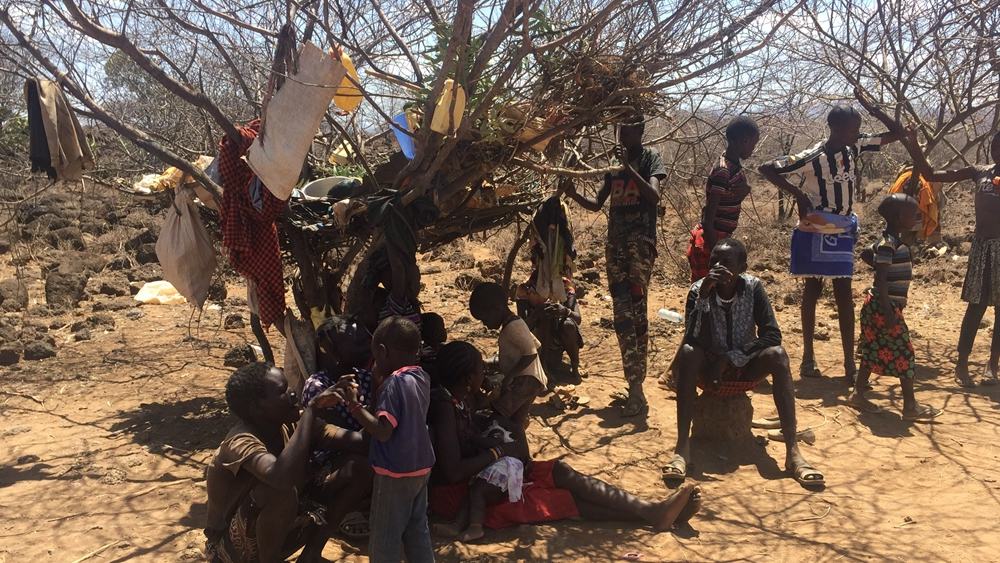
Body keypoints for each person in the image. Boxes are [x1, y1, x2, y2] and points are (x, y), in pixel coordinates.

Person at [427, 341, 702, 535]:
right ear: (467, 378)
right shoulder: (445, 408)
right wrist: (498, 453)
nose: (484, 375)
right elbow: (452, 472)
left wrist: (500, 443)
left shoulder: (461, 399)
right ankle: (653, 513)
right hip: (464, 496)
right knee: (559, 498)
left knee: (560, 471)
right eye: (480, 370)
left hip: (486, 475)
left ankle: (652, 510)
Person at [759, 105, 910, 382]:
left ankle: (850, 364)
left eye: (858, 129)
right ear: (836, 129)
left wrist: (873, 108)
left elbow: (895, 134)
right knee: (812, 289)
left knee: (843, 292)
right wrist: (798, 195)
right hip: (815, 228)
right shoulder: (813, 156)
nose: (857, 133)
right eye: (853, 129)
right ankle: (808, 359)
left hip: (842, 228)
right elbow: (767, 168)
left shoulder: (854, 147)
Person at [663, 239, 825, 487]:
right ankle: (682, 450)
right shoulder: (698, 289)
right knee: (687, 352)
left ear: (742, 268)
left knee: (778, 355)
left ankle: (793, 452)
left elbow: (772, 335)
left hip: (745, 366)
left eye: (726, 262)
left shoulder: (753, 288)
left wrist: (732, 357)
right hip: (708, 368)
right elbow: (693, 337)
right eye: (714, 261)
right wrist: (704, 296)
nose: (718, 267)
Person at [204, 363, 368, 563]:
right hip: (229, 550)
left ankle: (310, 555)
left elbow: (362, 443)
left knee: (358, 467)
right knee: (280, 490)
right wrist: (312, 410)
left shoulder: (294, 422)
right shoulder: (240, 441)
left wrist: (373, 396)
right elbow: (280, 478)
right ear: (257, 408)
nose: (292, 393)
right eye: (282, 391)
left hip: (281, 529)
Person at [562, 113, 667, 417]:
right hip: (616, 248)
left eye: (629, 130)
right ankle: (633, 384)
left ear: (641, 131)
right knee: (621, 316)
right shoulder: (614, 165)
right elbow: (597, 204)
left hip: (639, 247)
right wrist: (573, 193)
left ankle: (637, 386)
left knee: (637, 313)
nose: (623, 135)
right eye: (621, 130)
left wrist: (628, 169)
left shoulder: (650, 159)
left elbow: (654, 196)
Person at [905, 132, 1000, 387]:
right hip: (982, 248)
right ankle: (962, 363)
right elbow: (932, 175)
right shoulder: (980, 172)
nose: (998, 153)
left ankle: (992, 365)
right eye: (996, 147)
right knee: (976, 306)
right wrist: (914, 146)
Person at [338, 317, 435, 563]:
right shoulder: (421, 377)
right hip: (421, 466)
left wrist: (354, 405)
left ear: (382, 351)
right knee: (417, 529)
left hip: (395, 471)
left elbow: (383, 431)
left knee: (385, 537)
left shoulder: (393, 385)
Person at [849, 195, 942, 420]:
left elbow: (867, 253)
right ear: (900, 218)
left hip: (879, 306)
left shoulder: (889, 242)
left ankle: (858, 394)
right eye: (913, 214)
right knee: (904, 354)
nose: (917, 217)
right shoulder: (889, 244)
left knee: (872, 349)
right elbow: (881, 279)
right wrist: (889, 311)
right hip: (884, 307)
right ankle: (910, 406)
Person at [688, 116, 761, 282]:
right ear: (743, 141)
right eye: (753, 144)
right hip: (711, 239)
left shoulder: (733, 164)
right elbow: (708, 219)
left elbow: (730, 196)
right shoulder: (723, 170)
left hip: (719, 238)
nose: (753, 149)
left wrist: (747, 189)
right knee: (706, 289)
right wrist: (717, 252)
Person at [469, 281, 547, 428]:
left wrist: (510, 377)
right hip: (531, 380)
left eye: (485, 319)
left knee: (500, 412)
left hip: (524, 381)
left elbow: (531, 353)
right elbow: (537, 346)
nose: (485, 324)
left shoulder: (513, 327)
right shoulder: (515, 323)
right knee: (517, 419)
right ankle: (517, 438)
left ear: (496, 309)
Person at [515, 275, 583, 383]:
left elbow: (578, 318)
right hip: (536, 339)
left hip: (559, 336)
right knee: (544, 319)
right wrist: (537, 313)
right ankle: (544, 368)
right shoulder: (525, 290)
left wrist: (565, 311)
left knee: (568, 325)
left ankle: (575, 367)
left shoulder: (565, 287)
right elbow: (523, 327)